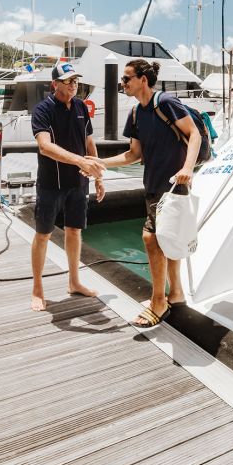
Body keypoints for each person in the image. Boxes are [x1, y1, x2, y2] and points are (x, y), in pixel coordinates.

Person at [99, 59, 200, 328]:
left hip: (174, 185)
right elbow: (134, 154)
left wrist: (187, 168)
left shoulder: (165, 102)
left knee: (150, 239)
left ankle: (158, 302)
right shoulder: (135, 114)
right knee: (167, 240)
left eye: (127, 79)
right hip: (153, 186)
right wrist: (101, 163)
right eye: (122, 79)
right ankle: (175, 294)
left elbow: (194, 135)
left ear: (143, 79)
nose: (123, 83)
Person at [30, 62, 104, 312]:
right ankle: (37, 289)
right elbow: (45, 146)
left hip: (78, 182)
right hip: (51, 183)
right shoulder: (42, 110)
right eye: (68, 81)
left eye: (76, 81)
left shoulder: (82, 107)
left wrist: (98, 177)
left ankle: (74, 281)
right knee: (43, 235)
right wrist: (79, 160)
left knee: (74, 231)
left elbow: (88, 142)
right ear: (55, 84)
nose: (74, 85)